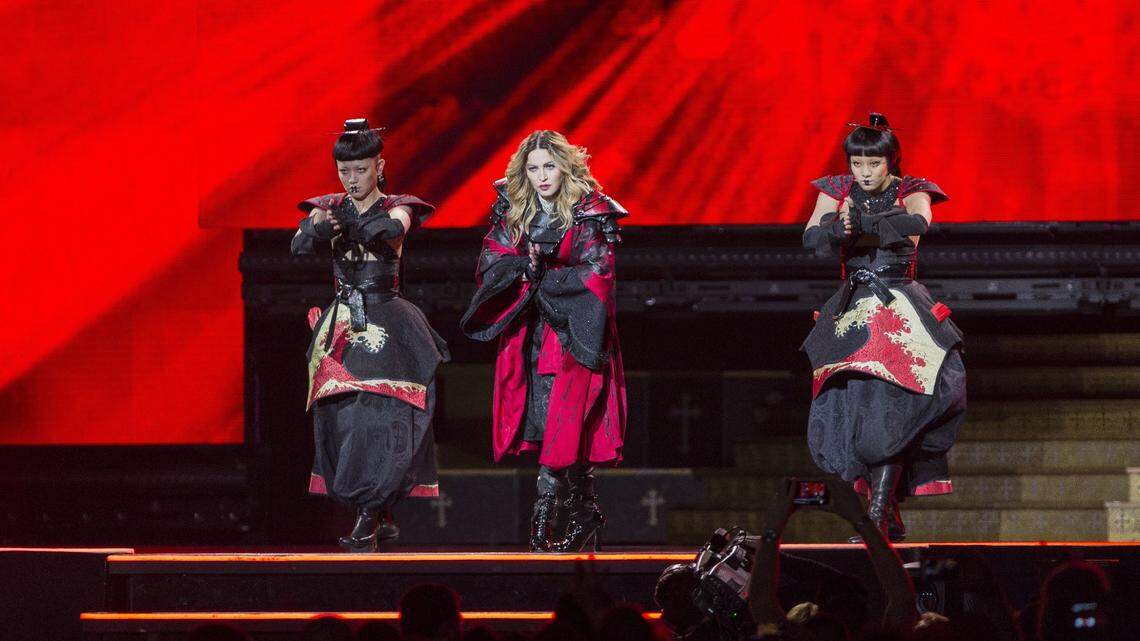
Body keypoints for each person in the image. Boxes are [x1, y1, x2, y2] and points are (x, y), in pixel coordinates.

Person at [800, 113, 966, 542]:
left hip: (899, 306)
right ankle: (882, 512)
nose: (865, 172)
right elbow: (811, 235)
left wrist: (866, 223)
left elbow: (919, 223)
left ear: (890, 161)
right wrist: (837, 228)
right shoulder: (836, 190)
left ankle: (878, 514)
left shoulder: (913, 189)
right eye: (857, 163)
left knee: (895, 411)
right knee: (852, 410)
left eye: (873, 163)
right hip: (852, 310)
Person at [460, 130, 628, 552]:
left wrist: (543, 277)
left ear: (565, 167)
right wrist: (525, 268)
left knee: (567, 421)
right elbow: (492, 260)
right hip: (533, 334)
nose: (542, 176)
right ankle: (584, 512)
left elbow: (597, 274)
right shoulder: (514, 208)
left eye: (549, 166)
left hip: (576, 332)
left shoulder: (589, 210)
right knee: (551, 421)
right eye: (533, 168)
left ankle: (546, 517)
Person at [291, 118, 450, 551]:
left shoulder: (398, 205)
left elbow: (396, 226)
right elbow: (299, 241)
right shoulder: (329, 205)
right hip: (343, 322)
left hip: (388, 318)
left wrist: (360, 226)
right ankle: (376, 510)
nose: (352, 179)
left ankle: (370, 511)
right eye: (344, 171)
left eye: (361, 169)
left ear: (379, 166)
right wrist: (317, 227)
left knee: (382, 417)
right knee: (342, 417)